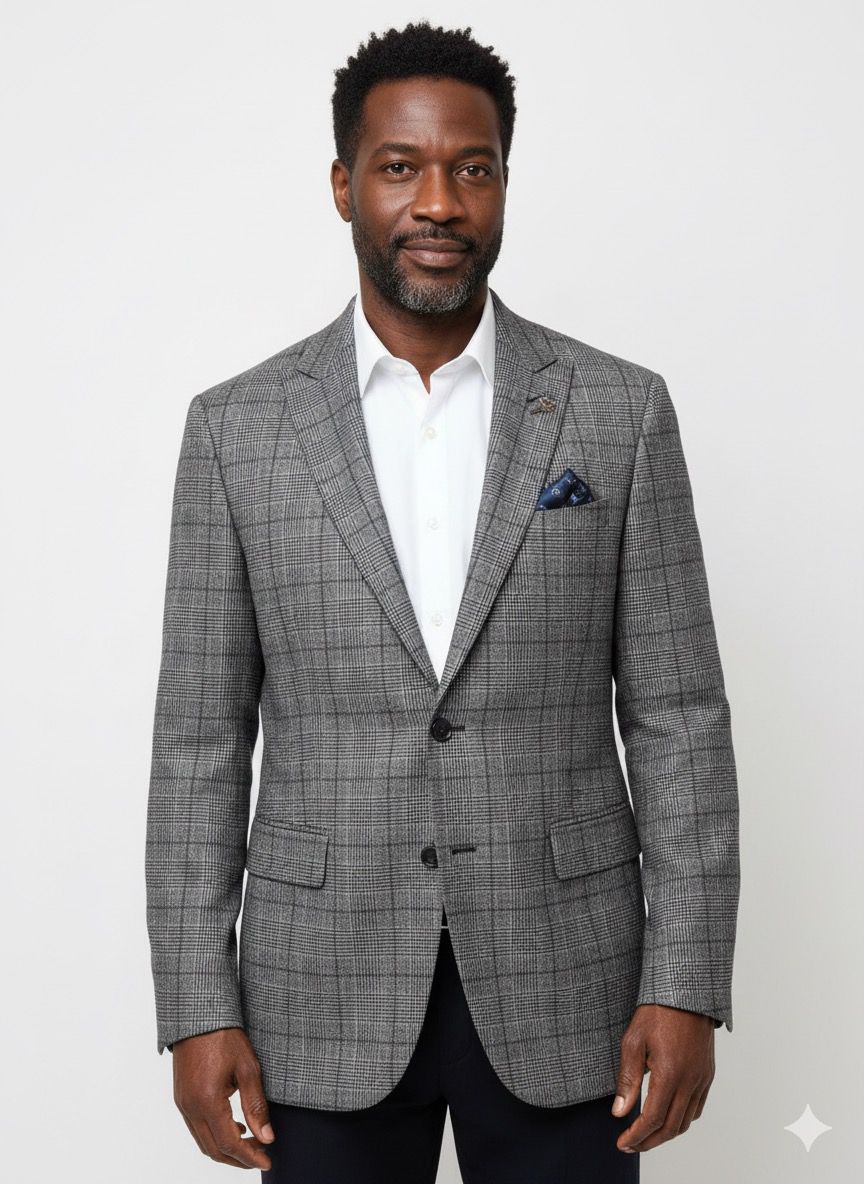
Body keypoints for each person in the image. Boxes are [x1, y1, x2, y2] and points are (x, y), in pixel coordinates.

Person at [145, 20, 740, 1183]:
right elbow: (198, 737)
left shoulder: (618, 410)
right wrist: (195, 1003)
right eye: (400, 166)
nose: (438, 201)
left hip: (572, 982)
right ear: (343, 186)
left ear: (506, 181)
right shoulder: (236, 429)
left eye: (472, 168)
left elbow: (680, 714)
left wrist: (687, 979)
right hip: (320, 986)